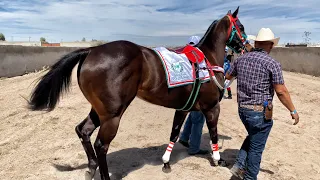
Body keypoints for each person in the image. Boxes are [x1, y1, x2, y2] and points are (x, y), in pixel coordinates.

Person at [225, 28, 300, 179]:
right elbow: (281, 91)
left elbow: (227, 76)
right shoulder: (272, 63)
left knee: (253, 136)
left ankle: (239, 165)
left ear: (256, 42)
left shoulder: (240, 59)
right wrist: (292, 110)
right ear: (270, 45)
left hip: (243, 110)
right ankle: (249, 177)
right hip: (259, 112)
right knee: (256, 148)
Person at [178, 35, 209, 155]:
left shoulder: (182, 55)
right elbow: (202, 76)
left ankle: (184, 137)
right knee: (198, 120)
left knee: (192, 116)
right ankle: (194, 148)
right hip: (196, 94)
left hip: (186, 95)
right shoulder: (198, 56)